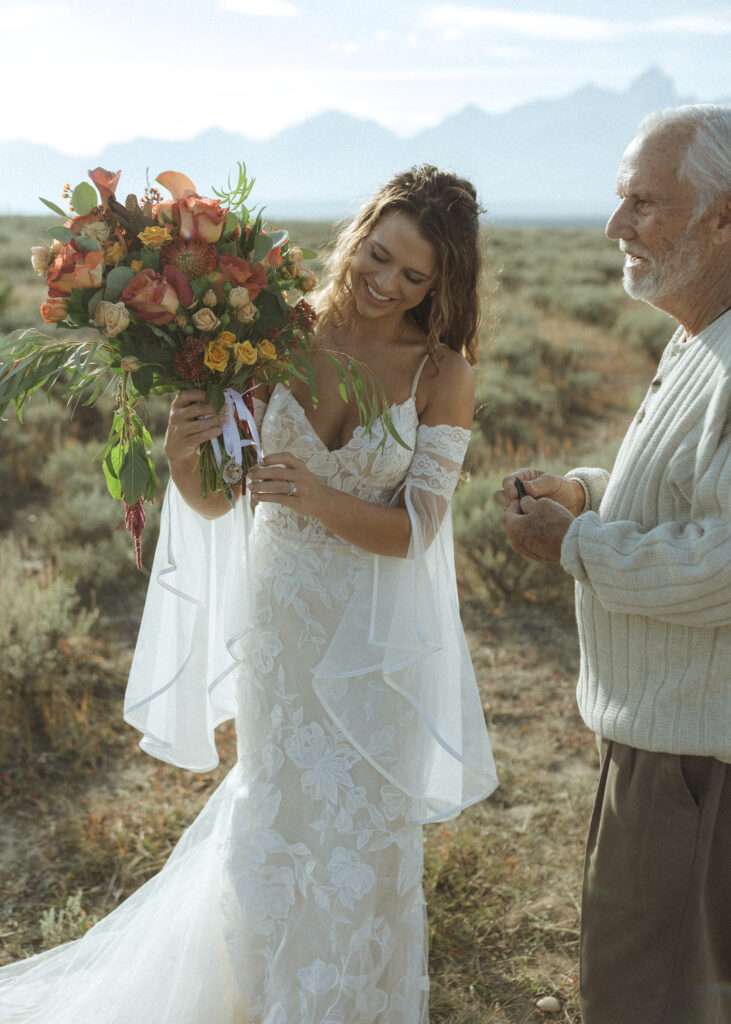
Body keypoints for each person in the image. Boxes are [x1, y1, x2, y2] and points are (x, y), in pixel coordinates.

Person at [0, 165, 497, 1023]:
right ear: (358, 233)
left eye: (413, 278)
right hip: (281, 635)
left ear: (441, 285)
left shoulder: (438, 374)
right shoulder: (268, 332)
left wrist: (320, 497)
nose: (385, 285)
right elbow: (219, 499)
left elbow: (416, 530)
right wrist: (183, 457)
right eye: (378, 257)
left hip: (375, 648)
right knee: (275, 822)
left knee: (362, 847)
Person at [494, 105, 731, 1024]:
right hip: (669, 743)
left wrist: (575, 546)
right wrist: (588, 494)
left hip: (695, 768)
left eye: (643, 202)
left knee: (650, 997)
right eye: (616, 197)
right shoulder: (699, 336)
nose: (612, 226)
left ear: (722, 218)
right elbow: (695, 500)